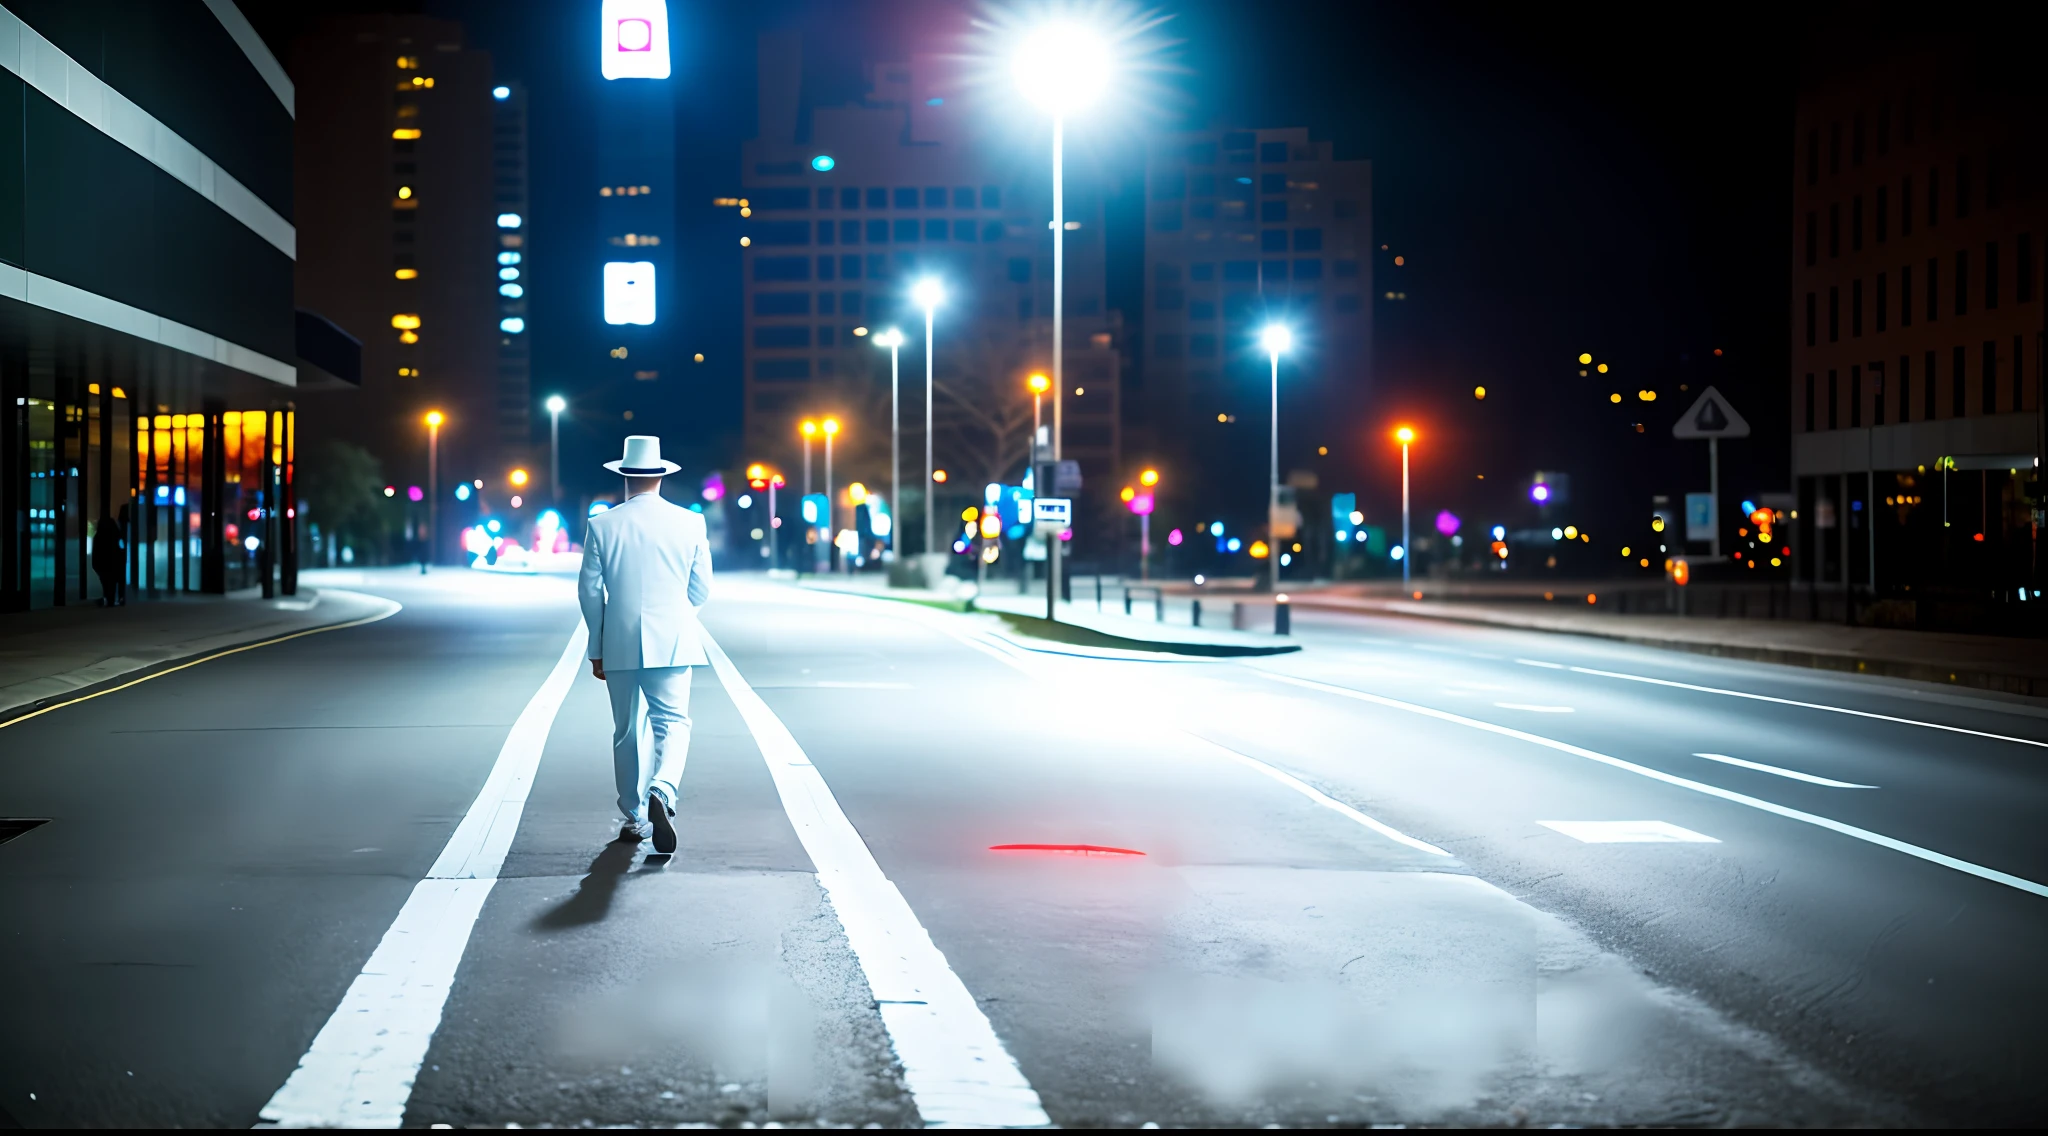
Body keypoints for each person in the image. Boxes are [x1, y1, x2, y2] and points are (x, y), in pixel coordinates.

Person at [577, 435, 713, 854]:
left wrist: (596, 647)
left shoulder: (602, 525)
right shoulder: (691, 523)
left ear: (624, 477)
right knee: (673, 723)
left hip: (618, 641)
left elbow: (588, 591)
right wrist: (673, 610)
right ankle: (664, 790)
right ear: (660, 476)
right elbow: (702, 588)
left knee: (625, 731)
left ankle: (634, 817)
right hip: (672, 639)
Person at [91, 510, 126, 607]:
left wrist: (96, 565)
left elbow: (95, 553)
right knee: (114, 582)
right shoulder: (117, 536)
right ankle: (115, 599)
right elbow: (122, 550)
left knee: (106, 583)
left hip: (103, 565)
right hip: (115, 564)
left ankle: (107, 598)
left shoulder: (98, 537)